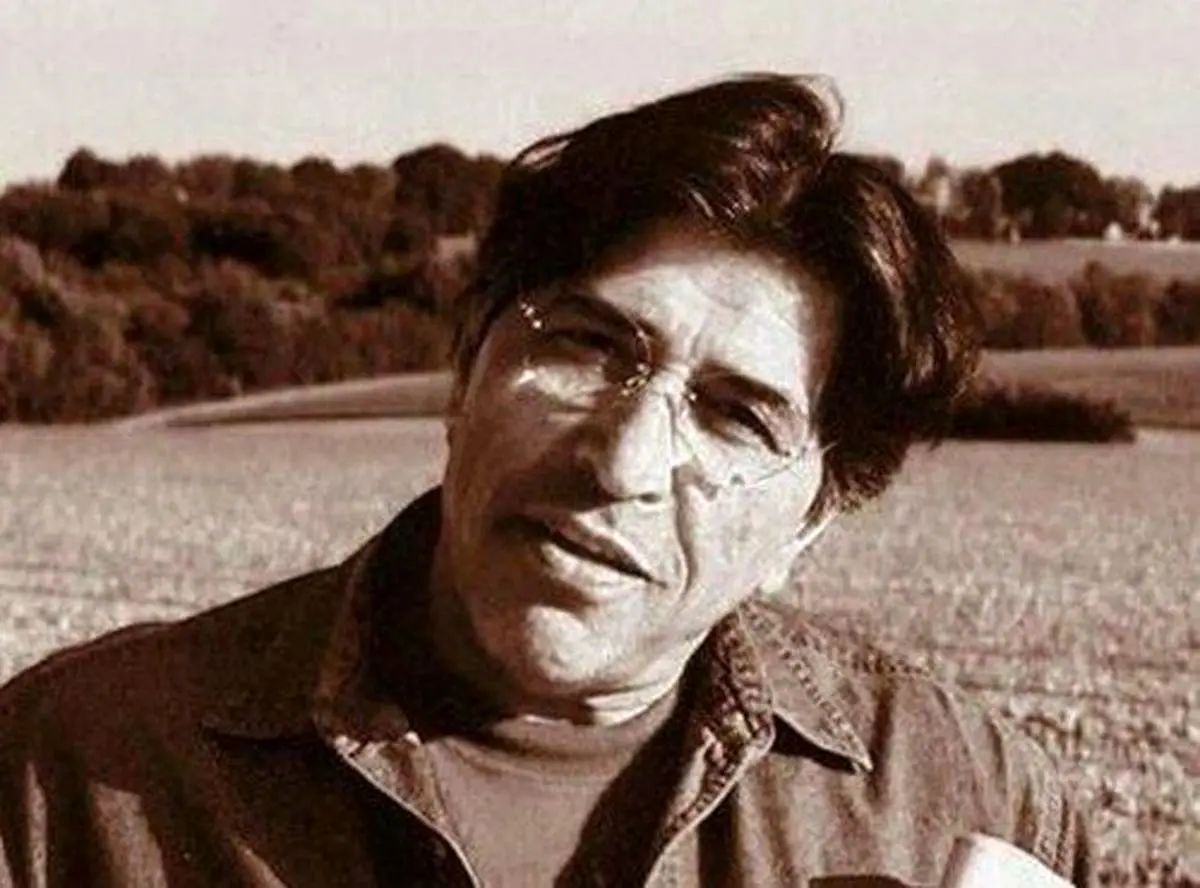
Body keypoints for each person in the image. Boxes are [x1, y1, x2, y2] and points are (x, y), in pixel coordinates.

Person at [0, 74, 1094, 887]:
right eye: (587, 347)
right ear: (469, 360)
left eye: (736, 416)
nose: (621, 461)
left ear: (813, 517)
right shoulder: (67, 769)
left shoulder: (965, 800)